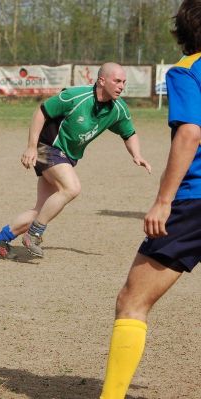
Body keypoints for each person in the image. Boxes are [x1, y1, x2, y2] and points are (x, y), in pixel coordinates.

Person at [100, 2, 201, 397]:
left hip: (194, 201)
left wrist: (163, 200)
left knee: (132, 301)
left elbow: (191, 133)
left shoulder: (188, 68)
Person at [0, 62, 152, 259]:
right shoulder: (75, 96)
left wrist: (137, 154)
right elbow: (41, 111)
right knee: (72, 188)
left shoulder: (118, 109)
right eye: (117, 81)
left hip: (66, 157)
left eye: (124, 82)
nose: (121, 86)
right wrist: (31, 146)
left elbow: (129, 133)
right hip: (48, 147)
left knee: (41, 210)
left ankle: (0, 238)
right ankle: (33, 234)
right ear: (102, 80)